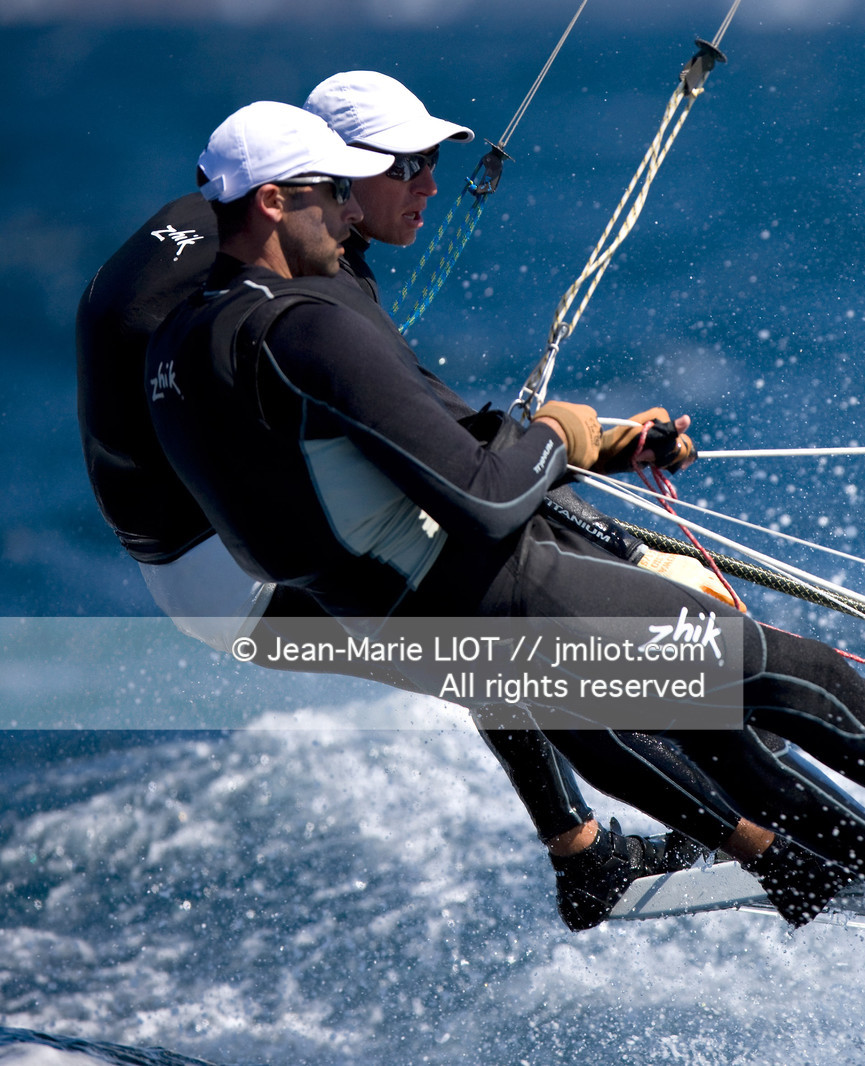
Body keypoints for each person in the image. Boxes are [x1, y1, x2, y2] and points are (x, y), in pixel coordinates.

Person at [146, 101, 865, 957]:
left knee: (711, 715)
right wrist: (559, 432)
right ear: (277, 201)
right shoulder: (309, 329)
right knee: (783, 671)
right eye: (333, 195)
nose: (349, 213)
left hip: (408, 612)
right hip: (487, 588)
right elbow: (486, 486)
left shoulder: (193, 340)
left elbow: (358, 464)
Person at [75, 76, 698, 931]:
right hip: (237, 573)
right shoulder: (269, 288)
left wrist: (580, 458)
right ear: (314, 179)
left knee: (498, 606)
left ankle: (590, 851)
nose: (430, 188)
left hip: (213, 560)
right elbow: (460, 469)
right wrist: (582, 462)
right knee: (511, 618)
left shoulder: (241, 238)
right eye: (404, 167)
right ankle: (755, 831)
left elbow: (428, 440)